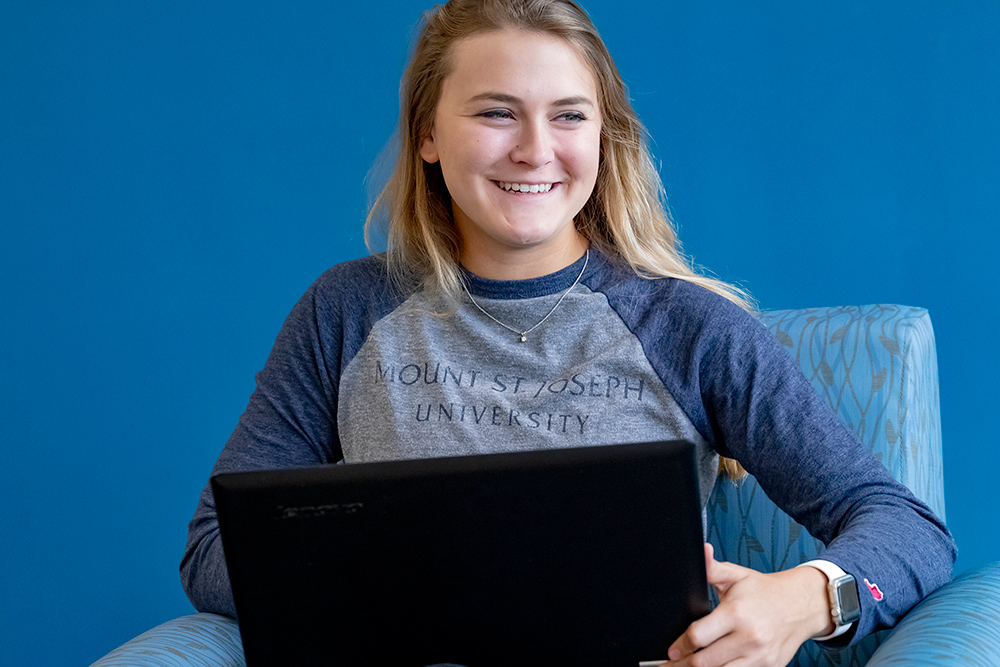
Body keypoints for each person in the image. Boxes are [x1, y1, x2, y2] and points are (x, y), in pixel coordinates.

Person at [180, 1, 956, 665]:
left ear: (602, 137)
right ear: (426, 133)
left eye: (568, 115)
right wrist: (405, 589)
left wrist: (805, 599)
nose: (535, 149)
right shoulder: (345, 311)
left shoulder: (688, 327)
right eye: (494, 112)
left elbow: (909, 530)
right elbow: (216, 546)